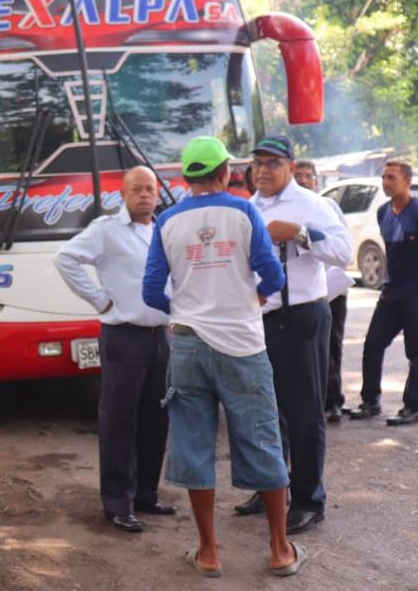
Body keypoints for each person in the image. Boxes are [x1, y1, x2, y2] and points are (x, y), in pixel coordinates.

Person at [142, 136, 302, 578]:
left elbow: (152, 290)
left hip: (189, 345)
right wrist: (249, 300)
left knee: (194, 445)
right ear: (226, 171)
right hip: (242, 345)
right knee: (262, 439)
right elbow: (271, 273)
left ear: (187, 177)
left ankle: (209, 551)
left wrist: (187, 310)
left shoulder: (167, 221)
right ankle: (280, 549)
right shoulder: (244, 210)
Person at [235, 138, 351, 536]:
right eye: (257, 163)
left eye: (272, 163)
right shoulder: (249, 206)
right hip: (260, 319)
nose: (263, 170)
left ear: (289, 165)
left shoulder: (311, 204)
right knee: (266, 411)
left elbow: (343, 252)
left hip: (301, 317)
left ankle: (307, 499)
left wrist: (300, 233)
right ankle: (270, 487)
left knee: (303, 412)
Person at [54, 166, 173, 533]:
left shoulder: (164, 229)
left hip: (160, 336)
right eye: (136, 189)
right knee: (119, 421)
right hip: (123, 336)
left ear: (157, 194)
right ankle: (118, 503)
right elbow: (66, 259)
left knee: (157, 418)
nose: (143, 195)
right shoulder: (106, 230)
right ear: (123, 194)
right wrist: (99, 300)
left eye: (149, 189)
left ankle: (146, 495)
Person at [347, 160, 418, 426]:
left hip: (417, 294)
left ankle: (413, 406)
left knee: (417, 352)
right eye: (384, 177)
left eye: (392, 178)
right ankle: (370, 401)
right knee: (372, 345)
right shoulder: (383, 212)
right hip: (391, 293)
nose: (386, 182)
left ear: (407, 181)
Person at [293, 160, 353, 422]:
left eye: (309, 176)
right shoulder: (288, 208)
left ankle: (333, 400)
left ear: (317, 181)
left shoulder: (327, 207)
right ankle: (307, 403)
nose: (305, 180)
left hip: (332, 286)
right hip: (302, 294)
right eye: (300, 175)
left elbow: (343, 248)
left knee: (332, 345)